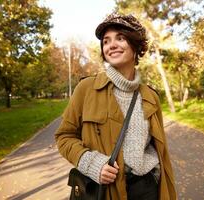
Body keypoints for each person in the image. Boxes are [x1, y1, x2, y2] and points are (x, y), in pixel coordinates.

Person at [55, 12, 176, 200]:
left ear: (135, 46)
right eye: (106, 41)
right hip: (106, 190)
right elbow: (64, 136)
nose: (111, 45)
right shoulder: (86, 89)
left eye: (120, 38)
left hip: (147, 189)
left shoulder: (151, 97)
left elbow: (160, 150)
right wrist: (92, 163)